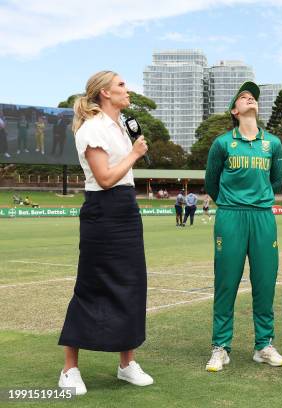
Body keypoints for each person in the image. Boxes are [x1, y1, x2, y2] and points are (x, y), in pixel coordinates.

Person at [57, 71, 153, 395]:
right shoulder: (92, 128)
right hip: (103, 210)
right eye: (122, 85)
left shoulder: (121, 125)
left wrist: (132, 151)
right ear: (104, 94)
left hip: (127, 209)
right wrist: (135, 154)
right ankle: (69, 370)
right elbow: (105, 178)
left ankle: (127, 364)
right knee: (91, 285)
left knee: (132, 283)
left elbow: (121, 177)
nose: (127, 90)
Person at [204, 81, 282, 372]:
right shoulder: (223, 143)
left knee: (264, 282)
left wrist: (257, 201)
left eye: (253, 96)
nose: (249, 98)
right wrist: (231, 203)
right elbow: (211, 183)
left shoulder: (273, 144)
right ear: (234, 110)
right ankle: (220, 347)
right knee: (226, 282)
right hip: (231, 216)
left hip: (263, 216)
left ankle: (264, 345)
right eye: (243, 97)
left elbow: (275, 182)